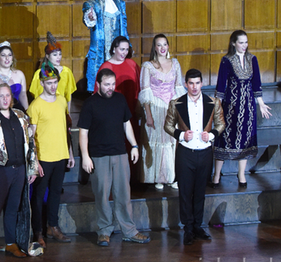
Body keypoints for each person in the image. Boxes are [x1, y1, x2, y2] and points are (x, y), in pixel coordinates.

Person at [78, 68, 151, 247]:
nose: (110, 88)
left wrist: (134, 146)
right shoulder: (90, 104)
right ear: (98, 84)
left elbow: (127, 124)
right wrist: (85, 156)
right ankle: (104, 231)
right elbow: (83, 132)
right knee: (102, 195)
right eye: (106, 85)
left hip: (120, 153)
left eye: (112, 84)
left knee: (123, 194)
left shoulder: (119, 99)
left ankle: (129, 231)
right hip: (99, 156)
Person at [164, 68, 225, 246]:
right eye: (191, 83)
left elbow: (221, 124)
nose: (194, 87)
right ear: (186, 84)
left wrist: (212, 135)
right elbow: (167, 125)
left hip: (205, 153)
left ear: (202, 83)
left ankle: (198, 226)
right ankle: (188, 228)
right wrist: (181, 135)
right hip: (185, 153)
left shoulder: (213, 102)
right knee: (185, 192)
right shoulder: (176, 103)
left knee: (200, 192)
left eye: (197, 83)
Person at [0, 83, 39, 261]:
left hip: (19, 169)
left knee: (13, 207)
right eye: (1, 96)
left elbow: (31, 142)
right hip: (0, 171)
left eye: (7, 95)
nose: (5, 99)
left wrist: (32, 168)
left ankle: (11, 243)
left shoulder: (21, 116)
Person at [211, 29, 272, 188]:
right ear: (233, 43)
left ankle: (241, 174)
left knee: (245, 138)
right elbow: (221, 85)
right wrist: (217, 106)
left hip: (248, 106)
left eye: (246, 42)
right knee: (224, 137)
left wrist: (261, 103)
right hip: (230, 106)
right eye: (241, 42)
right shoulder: (226, 60)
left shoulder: (252, 59)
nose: (244, 45)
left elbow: (256, 83)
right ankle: (217, 174)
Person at [27, 63, 75, 247]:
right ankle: (37, 231)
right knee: (38, 196)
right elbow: (31, 137)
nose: (53, 86)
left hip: (60, 155)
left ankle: (52, 226)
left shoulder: (62, 101)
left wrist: (70, 153)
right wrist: (35, 161)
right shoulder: (36, 106)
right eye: (49, 83)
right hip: (44, 158)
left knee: (55, 193)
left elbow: (65, 129)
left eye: (55, 82)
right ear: (42, 83)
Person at [138, 34, 185, 190]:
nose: (162, 48)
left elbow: (179, 88)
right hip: (156, 107)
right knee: (158, 141)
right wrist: (148, 115)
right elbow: (145, 91)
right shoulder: (148, 66)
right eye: (159, 45)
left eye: (165, 44)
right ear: (155, 48)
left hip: (171, 107)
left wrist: (180, 112)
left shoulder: (175, 64)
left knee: (171, 142)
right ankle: (158, 177)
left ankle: (171, 177)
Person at [82, 0, 129, 93]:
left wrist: (127, 45)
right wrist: (91, 18)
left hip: (117, 47)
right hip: (100, 49)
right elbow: (88, 20)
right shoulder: (91, 4)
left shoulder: (120, 3)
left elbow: (124, 25)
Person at [93, 35, 140, 118]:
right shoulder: (106, 67)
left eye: (127, 49)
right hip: (112, 109)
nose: (125, 52)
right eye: (122, 49)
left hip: (131, 108)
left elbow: (140, 85)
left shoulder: (132, 64)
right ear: (114, 49)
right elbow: (99, 90)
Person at [29, 31, 77, 111]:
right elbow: (36, 95)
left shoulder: (66, 72)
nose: (58, 57)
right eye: (55, 55)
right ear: (47, 56)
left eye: (60, 54)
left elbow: (68, 95)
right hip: (44, 109)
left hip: (61, 109)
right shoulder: (40, 73)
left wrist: (68, 113)